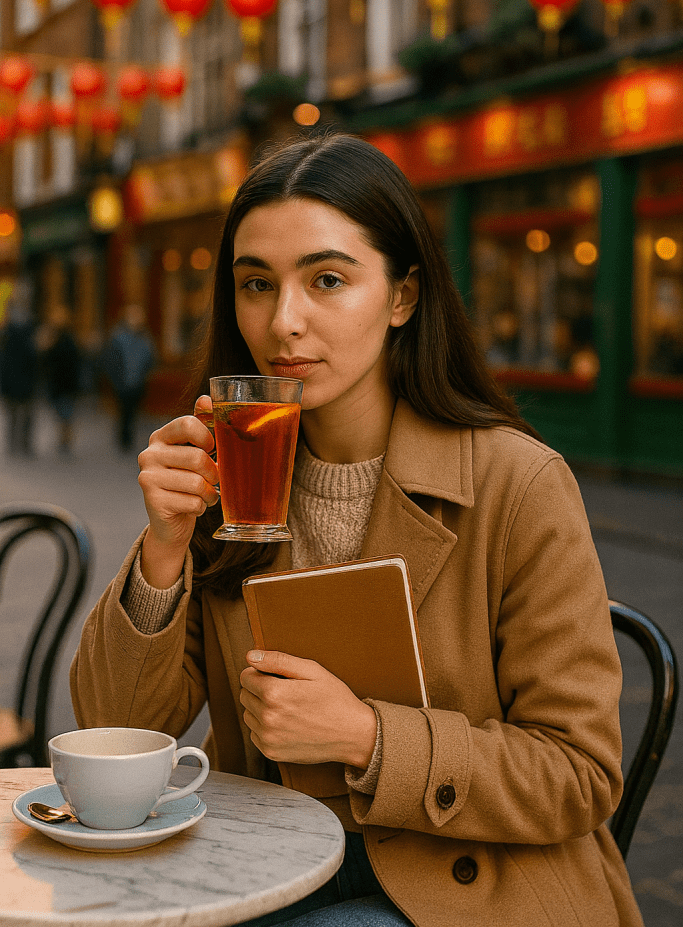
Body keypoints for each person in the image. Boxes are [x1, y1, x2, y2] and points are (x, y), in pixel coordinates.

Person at [71, 134, 643, 927]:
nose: (284, 321)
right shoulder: (230, 476)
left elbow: (580, 774)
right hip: (267, 865)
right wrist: (163, 549)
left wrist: (369, 737)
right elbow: (111, 731)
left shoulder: (518, 485)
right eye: (256, 284)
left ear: (402, 296)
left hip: (474, 884)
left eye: (327, 280)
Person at [101, 303, 156, 451]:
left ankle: (128, 437)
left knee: (132, 412)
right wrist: (116, 381)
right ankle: (124, 438)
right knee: (124, 411)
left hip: (137, 381)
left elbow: (150, 357)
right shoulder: (118, 337)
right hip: (123, 381)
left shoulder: (144, 337)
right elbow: (111, 361)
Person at [39, 305, 82, 454]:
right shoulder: (56, 338)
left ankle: (65, 438)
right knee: (62, 413)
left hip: (65, 384)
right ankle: (64, 437)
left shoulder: (66, 340)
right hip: (59, 384)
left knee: (65, 413)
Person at [0, 290, 38, 456]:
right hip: (16, 378)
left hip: (24, 377)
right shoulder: (8, 330)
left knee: (23, 414)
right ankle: (19, 444)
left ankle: (21, 443)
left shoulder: (25, 328)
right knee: (17, 414)